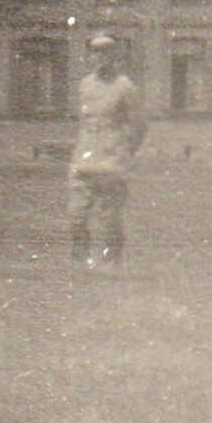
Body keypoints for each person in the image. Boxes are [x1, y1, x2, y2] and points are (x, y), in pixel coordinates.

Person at [68, 33, 147, 271]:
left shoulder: (125, 87)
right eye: (96, 52)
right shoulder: (84, 85)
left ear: (115, 55)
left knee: (109, 217)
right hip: (84, 160)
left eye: (106, 52)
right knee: (76, 215)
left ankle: (110, 262)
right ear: (90, 56)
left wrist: (125, 152)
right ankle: (80, 262)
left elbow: (139, 126)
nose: (101, 57)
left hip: (112, 161)